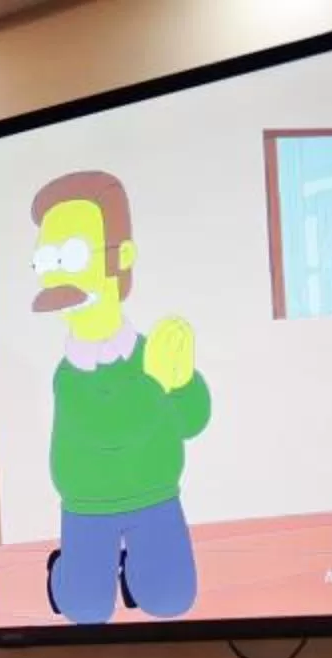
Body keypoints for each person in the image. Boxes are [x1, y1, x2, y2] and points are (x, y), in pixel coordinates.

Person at [29, 169, 211, 623]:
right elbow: (108, 425)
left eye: (70, 256)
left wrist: (183, 379)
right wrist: (157, 386)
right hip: (87, 507)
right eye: (47, 262)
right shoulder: (68, 375)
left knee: (171, 601)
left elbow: (193, 420)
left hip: (155, 495)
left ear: (121, 256)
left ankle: (135, 571)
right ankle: (66, 570)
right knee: (85, 610)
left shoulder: (152, 353)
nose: (57, 279)